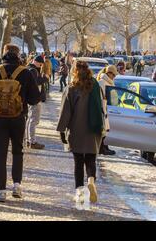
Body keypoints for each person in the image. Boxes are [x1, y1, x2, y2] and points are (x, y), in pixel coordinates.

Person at [0, 44, 41, 202]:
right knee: (17, 152)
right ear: (18, 55)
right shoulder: (25, 73)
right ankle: (17, 185)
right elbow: (34, 99)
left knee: (0, 155)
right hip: (18, 118)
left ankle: (1, 190)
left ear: (3, 53)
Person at [57, 60, 104, 205]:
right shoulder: (95, 85)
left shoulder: (72, 87)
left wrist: (61, 131)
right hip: (94, 128)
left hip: (77, 129)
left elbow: (66, 111)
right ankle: (91, 179)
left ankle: (80, 194)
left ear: (74, 71)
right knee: (91, 159)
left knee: (78, 162)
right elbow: (103, 106)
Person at [26, 56, 49, 149]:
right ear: (36, 62)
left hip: (31, 98)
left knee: (30, 119)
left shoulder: (29, 68)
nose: (41, 66)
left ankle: (28, 140)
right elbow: (36, 82)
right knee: (33, 120)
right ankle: (32, 141)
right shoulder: (33, 70)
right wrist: (45, 78)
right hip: (34, 98)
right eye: (40, 64)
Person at [96, 66, 118, 156]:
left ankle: (104, 147)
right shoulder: (102, 82)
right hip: (102, 108)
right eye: (113, 75)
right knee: (103, 129)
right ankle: (101, 148)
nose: (114, 77)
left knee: (105, 129)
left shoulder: (107, 82)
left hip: (105, 108)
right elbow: (100, 96)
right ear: (109, 73)